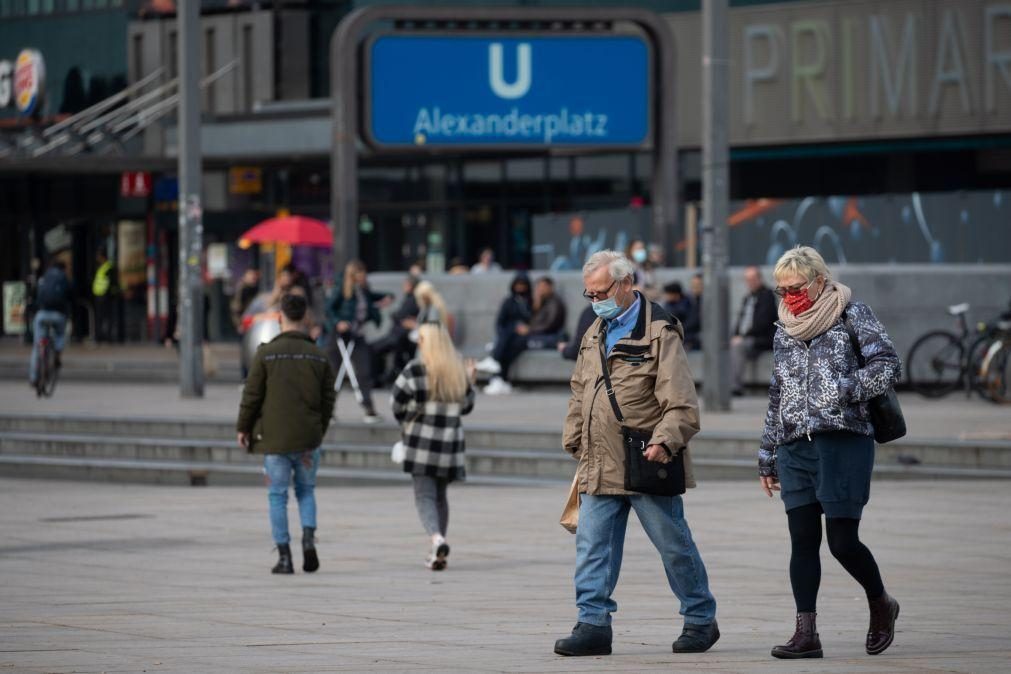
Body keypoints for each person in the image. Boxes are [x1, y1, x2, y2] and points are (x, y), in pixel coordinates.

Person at [555, 250, 718, 658]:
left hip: (647, 458)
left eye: (602, 292)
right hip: (599, 458)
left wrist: (665, 441)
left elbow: (681, 402)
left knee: (673, 544)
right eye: (589, 295)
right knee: (593, 547)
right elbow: (580, 388)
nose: (596, 301)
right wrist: (574, 436)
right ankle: (592, 624)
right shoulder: (594, 331)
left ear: (627, 283)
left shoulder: (660, 331)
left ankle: (700, 618)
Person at [758, 246, 901, 659]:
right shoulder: (784, 327)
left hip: (843, 440)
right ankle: (806, 634)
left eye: (796, 287)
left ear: (819, 280)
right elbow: (777, 393)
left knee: (841, 541)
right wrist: (767, 454)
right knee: (801, 539)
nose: (789, 297)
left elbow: (888, 365)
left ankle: (880, 603)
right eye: (781, 290)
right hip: (793, 445)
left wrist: (843, 389)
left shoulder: (853, 314)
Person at [236, 293, 336, 575]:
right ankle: (308, 540)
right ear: (306, 318)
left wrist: (243, 427)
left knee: (277, 495)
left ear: (280, 317)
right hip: (308, 438)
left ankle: (284, 557)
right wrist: (320, 428)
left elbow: (252, 395)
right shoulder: (318, 356)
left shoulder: (266, 353)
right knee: (306, 491)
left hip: (275, 439)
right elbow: (329, 399)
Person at [391, 322, 477, 570]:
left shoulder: (415, 369)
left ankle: (437, 539)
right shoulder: (456, 370)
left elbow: (395, 402)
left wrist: (409, 416)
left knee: (424, 496)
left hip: (421, 443)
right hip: (449, 444)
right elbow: (466, 407)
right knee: (440, 496)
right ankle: (438, 551)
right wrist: (471, 382)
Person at [324, 260, 392, 423]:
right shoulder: (342, 289)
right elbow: (329, 308)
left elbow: (371, 301)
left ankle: (369, 409)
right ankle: (328, 410)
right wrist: (338, 322)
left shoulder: (363, 291)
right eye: (360, 274)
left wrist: (386, 299)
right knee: (335, 373)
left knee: (363, 372)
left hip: (357, 335)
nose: (364, 277)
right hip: (341, 336)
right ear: (353, 275)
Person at [476, 272, 532, 395]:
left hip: (523, 337)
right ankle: (500, 378)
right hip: (507, 335)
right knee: (508, 336)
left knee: (506, 345)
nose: (520, 287)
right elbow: (500, 322)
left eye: (523, 285)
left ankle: (495, 364)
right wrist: (513, 328)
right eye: (518, 284)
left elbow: (533, 319)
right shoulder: (509, 301)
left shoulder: (531, 302)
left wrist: (525, 328)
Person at [730, 266, 778, 394]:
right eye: (748, 280)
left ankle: (735, 387)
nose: (750, 283)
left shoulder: (767, 296)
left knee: (738, 346)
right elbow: (741, 320)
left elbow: (762, 323)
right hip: (746, 337)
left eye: (752, 279)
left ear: (759, 279)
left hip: (762, 339)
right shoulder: (747, 298)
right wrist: (735, 335)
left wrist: (742, 337)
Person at [29, 260, 74, 387]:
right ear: (63, 268)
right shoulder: (64, 278)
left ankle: (33, 377)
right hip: (59, 314)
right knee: (60, 335)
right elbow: (71, 295)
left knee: (37, 345)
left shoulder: (44, 277)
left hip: (42, 313)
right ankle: (57, 356)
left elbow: (35, 295)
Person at [372, 274, 421, 386]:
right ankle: (384, 376)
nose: (403, 286)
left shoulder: (412, 300)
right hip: (399, 336)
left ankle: (377, 379)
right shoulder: (411, 299)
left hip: (398, 336)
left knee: (372, 348)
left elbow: (399, 316)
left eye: (406, 284)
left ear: (411, 285)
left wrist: (396, 315)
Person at [92, 249, 119, 342]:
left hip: (105, 296)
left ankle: (108, 337)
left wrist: (111, 294)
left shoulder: (109, 267)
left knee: (107, 317)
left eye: (98, 256)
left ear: (103, 256)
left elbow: (112, 283)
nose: (97, 258)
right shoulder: (100, 267)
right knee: (100, 317)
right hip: (99, 295)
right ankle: (99, 336)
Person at [682, 273, 703, 351]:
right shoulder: (687, 300)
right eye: (693, 284)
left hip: (697, 336)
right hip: (686, 334)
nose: (695, 287)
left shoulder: (707, 302)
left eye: (698, 284)